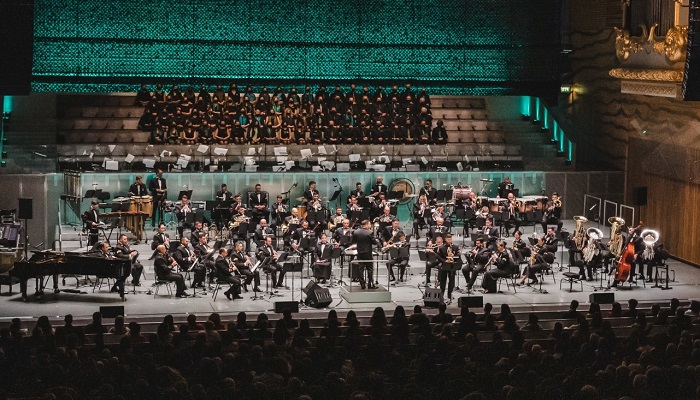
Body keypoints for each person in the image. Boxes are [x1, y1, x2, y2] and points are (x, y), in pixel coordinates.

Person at [350, 220, 377, 289]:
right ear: (367, 224)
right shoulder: (370, 232)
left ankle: (362, 284)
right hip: (368, 253)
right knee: (370, 269)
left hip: (360, 252)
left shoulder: (356, 232)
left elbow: (353, 241)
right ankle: (370, 284)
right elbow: (374, 242)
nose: (370, 225)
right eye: (370, 224)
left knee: (360, 268)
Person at [435, 234, 460, 302]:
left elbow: (458, 255)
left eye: (450, 239)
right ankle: (441, 294)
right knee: (443, 280)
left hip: (452, 265)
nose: (449, 241)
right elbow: (438, 257)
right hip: (444, 265)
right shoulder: (441, 248)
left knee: (451, 281)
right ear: (445, 239)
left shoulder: (455, 247)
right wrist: (444, 261)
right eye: (448, 239)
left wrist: (454, 255)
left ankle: (449, 294)